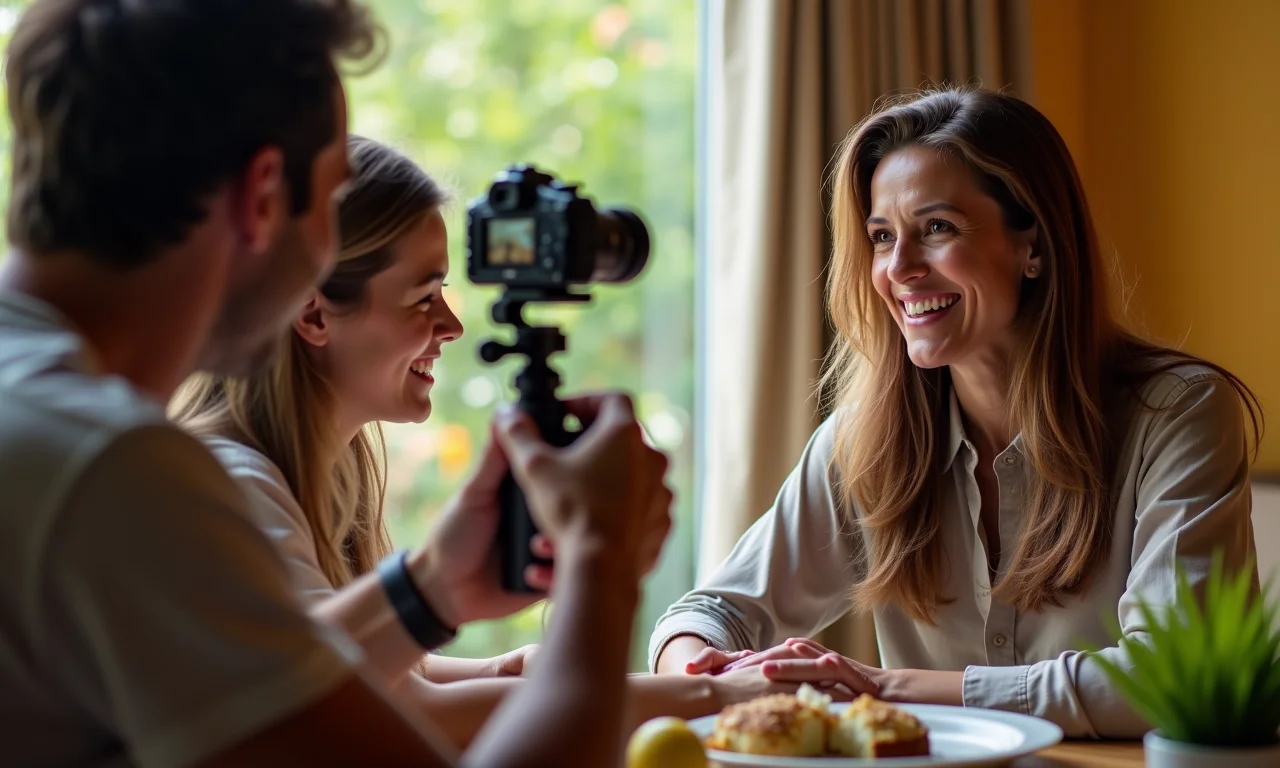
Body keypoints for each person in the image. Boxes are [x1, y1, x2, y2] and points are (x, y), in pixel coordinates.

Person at [0, 2, 671, 766]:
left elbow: (253, 693)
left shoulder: (42, 425)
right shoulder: (109, 469)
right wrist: (599, 564)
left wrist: (428, 590)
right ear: (260, 197)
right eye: (327, 199)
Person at [650, 87, 1262, 740]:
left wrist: (886, 689)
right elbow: (711, 610)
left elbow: (1168, 678)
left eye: (937, 228)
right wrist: (715, 677)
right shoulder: (866, 442)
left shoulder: (1178, 415)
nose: (899, 269)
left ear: (1036, 245)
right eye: (882, 237)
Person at [169, 135, 805, 748]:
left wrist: (512, 666)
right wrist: (728, 697)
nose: (450, 324)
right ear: (313, 314)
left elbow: (380, 671)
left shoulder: (329, 473)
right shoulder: (238, 488)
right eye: (423, 297)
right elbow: (410, 713)